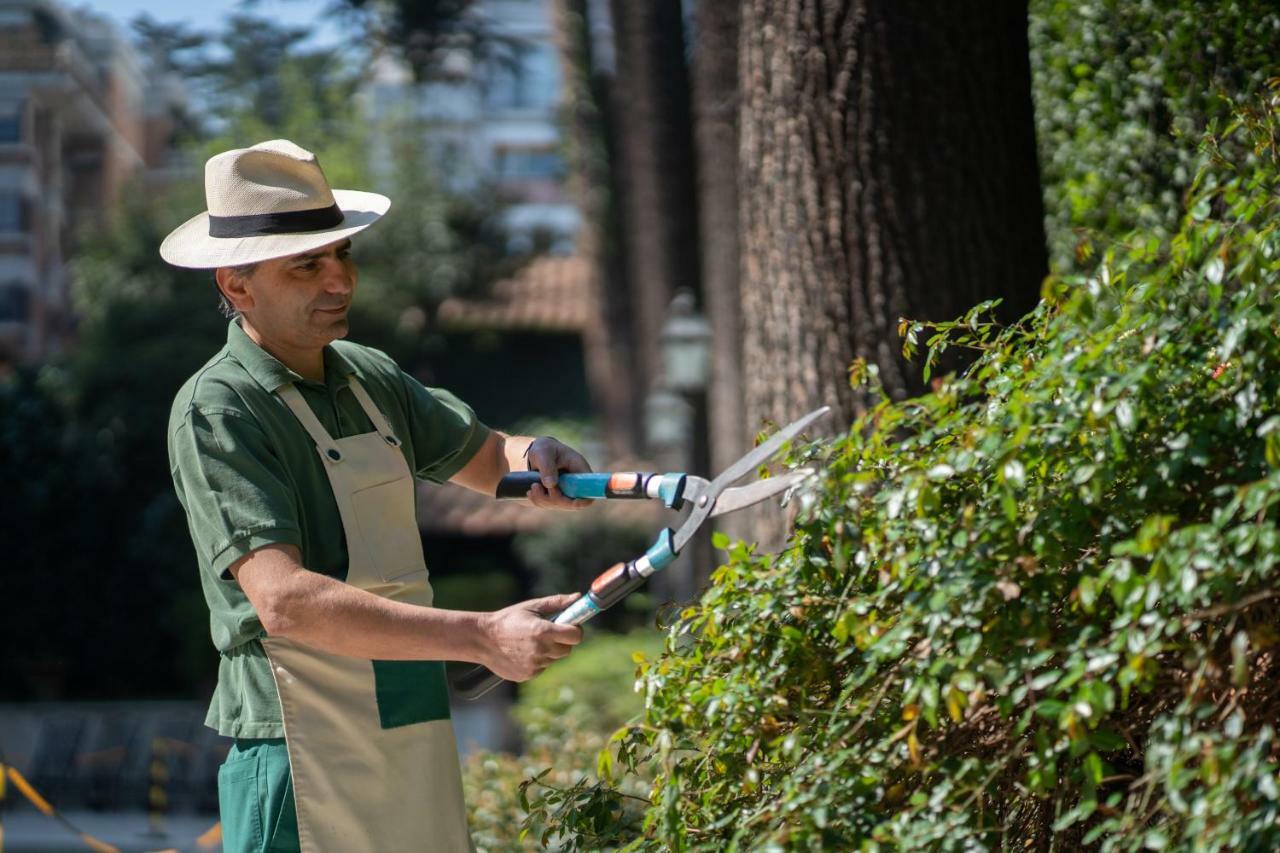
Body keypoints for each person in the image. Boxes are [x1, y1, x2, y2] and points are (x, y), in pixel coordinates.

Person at [162, 139, 591, 852]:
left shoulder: (368, 375)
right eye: (308, 264)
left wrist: (538, 460)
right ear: (236, 285)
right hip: (297, 739)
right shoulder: (219, 409)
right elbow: (286, 601)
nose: (339, 281)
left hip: (410, 716)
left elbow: (488, 457)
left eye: (344, 255)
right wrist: (484, 637)